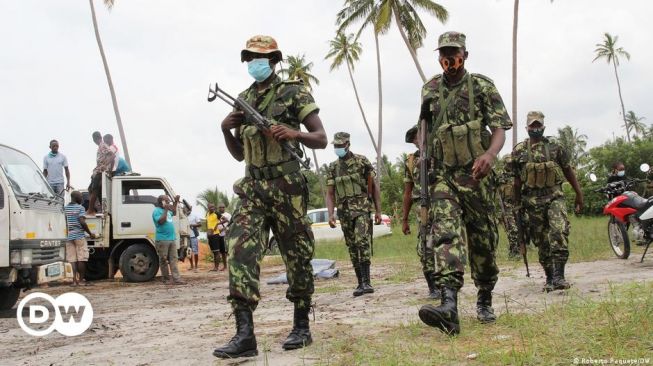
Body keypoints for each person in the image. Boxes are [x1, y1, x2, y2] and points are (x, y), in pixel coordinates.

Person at [213, 35, 327, 359]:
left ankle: (301, 325)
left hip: (287, 186)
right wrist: (224, 129)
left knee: (297, 255)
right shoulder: (242, 98)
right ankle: (245, 335)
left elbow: (320, 137)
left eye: (259, 57)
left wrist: (294, 133)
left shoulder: (293, 92)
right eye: (249, 57)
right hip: (252, 188)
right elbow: (238, 155)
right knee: (238, 250)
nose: (253, 63)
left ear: (274, 60)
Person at [416, 31, 512, 336]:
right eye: (443, 52)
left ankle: (484, 297)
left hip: (476, 176)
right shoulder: (430, 89)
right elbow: (424, 128)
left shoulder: (482, 85)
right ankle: (449, 305)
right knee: (446, 233)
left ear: (465, 55)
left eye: (454, 52)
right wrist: (423, 156)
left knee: (482, 242)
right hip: (445, 176)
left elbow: (499, 127)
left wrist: (490, 154)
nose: (448, 58)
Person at [512, 111, 583, 292]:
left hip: (554, 197)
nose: (535, 129)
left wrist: (579, 194)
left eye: (538, 125)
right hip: (531, 202)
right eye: (532, 126)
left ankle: (559, 276)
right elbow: (517, 181)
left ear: (543, 126)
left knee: (559, 232)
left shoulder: (555, 146)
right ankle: (550, 277)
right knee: (541, 240)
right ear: (526, 127)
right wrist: (516, 205)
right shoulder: (519, 151)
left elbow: (568, 171)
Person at [325, 132, 381, 297]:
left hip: (362, 208)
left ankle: (366, 282)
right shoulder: (333, 167)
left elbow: (374, 187)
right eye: (335, 146)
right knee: (352, 246)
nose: (337, 148)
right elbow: (330, 193)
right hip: (344, 212)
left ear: (348, 144)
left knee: (362, 241)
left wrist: (378, 210)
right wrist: (330, 214)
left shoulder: (361, 161)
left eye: (340, 145)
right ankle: (359, 282)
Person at [401, 126, 440, 299]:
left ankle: (448, 283)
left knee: (446, 244)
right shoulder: (411, 161)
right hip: (422, 208)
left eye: (422, 136)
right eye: (416, 139)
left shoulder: (440, 153)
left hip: (443, 204)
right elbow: (408, 192)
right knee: (425, 247)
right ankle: (433, 287)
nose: (419, 140)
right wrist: (404, 220)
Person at [152, 194, 185, 285]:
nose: (168, 203)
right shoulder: (157, 211)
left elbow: (174, 212)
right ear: (161, 202)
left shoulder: (166, 210)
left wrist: (175, 202)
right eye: (166, 201)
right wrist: (166, 209)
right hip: (162, 239)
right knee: (163, 260)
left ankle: (177, 278)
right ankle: (166, 279)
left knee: (174, 259)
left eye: (168, 201)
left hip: (171, 239)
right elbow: (161, 221)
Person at [65, 191, 96, 285]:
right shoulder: (80, 208)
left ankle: (74, 281)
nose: (82, 199)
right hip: (79, 236)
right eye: (81, 197)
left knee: (72, 259)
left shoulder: (65, 208)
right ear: (76, 198)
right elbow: (82, 222)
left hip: (68, 236)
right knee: (81, 258)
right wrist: (90, 233)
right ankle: (81, 280)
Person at [496, 154, 521, 258]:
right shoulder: (500, 176)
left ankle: (521, 248)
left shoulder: (517, 175)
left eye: (512, 164)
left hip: (517, 206)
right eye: (508, 164)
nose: (510, 166)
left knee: (522, 228)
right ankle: (514, 252)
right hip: (506, 207)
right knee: (512, 229)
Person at [86, 131, 115, 216]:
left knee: (94, 190)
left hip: (100, 171)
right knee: (97, 190)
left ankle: (90, 210)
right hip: (100, 171)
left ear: (94, 139)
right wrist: (110, 169)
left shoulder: (102, 145)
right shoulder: (101, 146)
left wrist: (105, 166)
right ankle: (101, 209)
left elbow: (112, 156)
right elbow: (112, 158)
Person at [205, 204, 222, 271]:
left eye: (213, 207)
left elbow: (226, 220)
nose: (212, 208)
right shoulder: (207, 214)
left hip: (215, 235)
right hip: (210, 235)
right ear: (208, 208)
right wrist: (207, 231)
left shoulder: (217, 213)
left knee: (217, 251)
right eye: (210, 207)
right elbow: (207, 223)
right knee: (214, 252)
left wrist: (217, 224)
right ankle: (215, 267)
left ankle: (216, 268)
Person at [215, 202, 232, 271]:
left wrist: (223, 229)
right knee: (217, 251)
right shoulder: (216, 214)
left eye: (223, 207)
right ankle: (216, 267)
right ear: (218, 208)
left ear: (225, 208)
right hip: (217, 234)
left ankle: (225, 266)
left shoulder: (228, 215)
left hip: (225, 235)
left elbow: (230, 223)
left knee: (224, 252)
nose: (222, 208)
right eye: (220, 207)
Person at [187, 206, 201, 271]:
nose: (187, 210)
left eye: (189, 208)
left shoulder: (195, 215)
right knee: (188, 252)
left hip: (193, 236)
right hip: (186, 237)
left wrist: (192, 225)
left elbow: (199, 224)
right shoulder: (184, 216)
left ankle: (196, 266)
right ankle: (191, 265)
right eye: (186, 208)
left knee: (195, 252)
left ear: (191, 209)